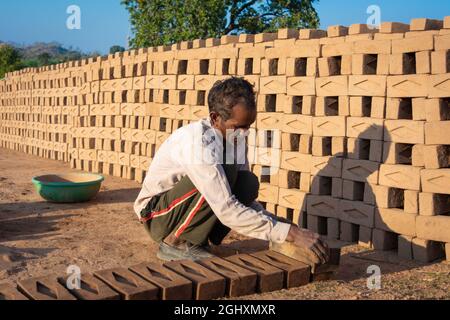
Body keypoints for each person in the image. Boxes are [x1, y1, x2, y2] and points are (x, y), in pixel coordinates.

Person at [134, 77, 329, 263]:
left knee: (246, 182)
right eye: (239, 126)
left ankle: (195, 238)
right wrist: (290, 234)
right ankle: (176, 242)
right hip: (156, 215)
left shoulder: (234, 137)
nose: (244, 133)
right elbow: (226, 207)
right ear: (215, 118)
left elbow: (238, 196)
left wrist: (278, 223)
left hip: (183, 208)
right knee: (224, 173)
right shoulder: (198, 144)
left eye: (248, 127)